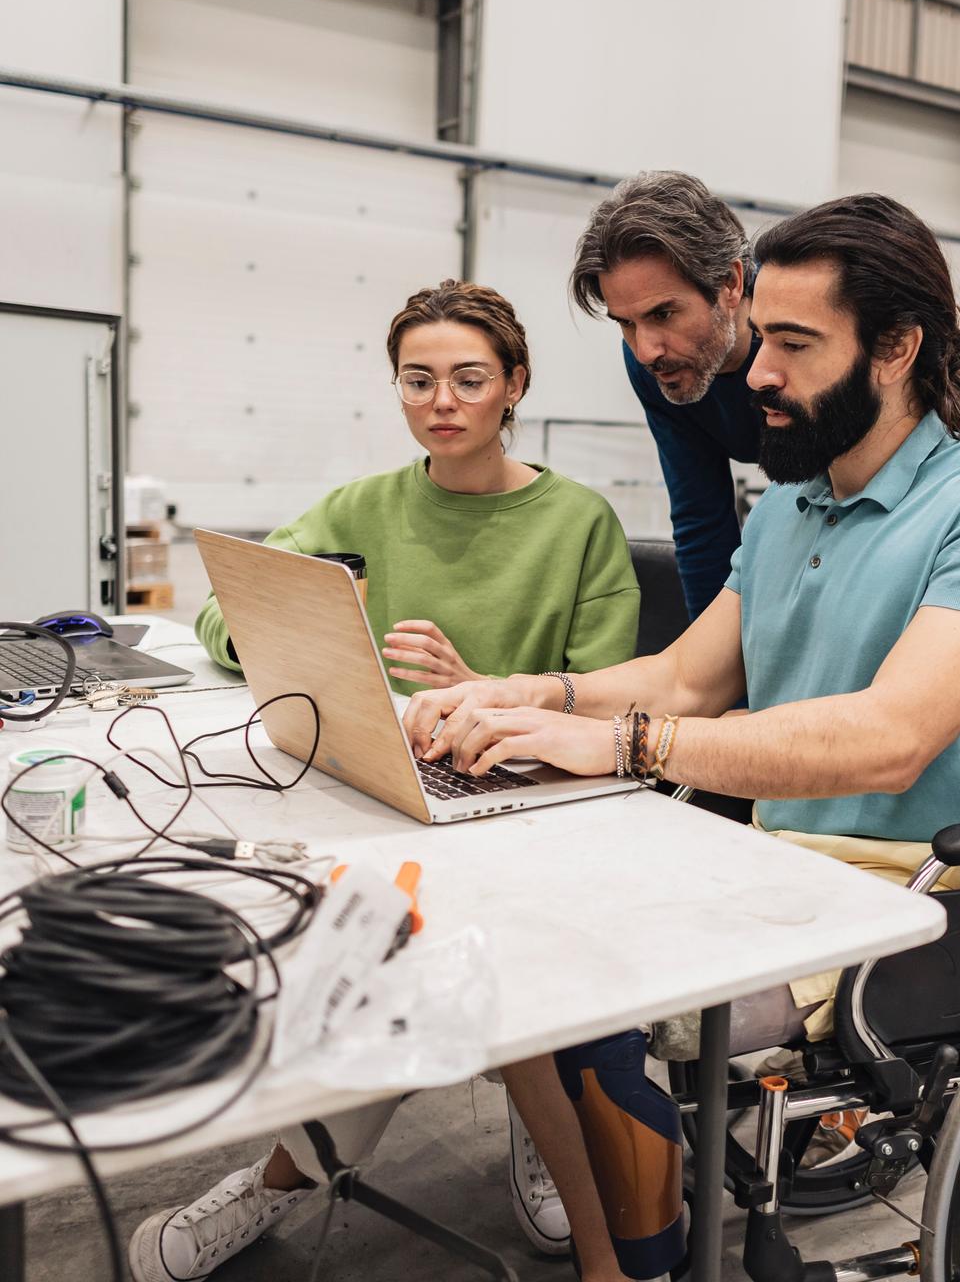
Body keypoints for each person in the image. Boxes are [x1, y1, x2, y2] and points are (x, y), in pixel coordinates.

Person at [404, 193, 960, 1210]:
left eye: (794, 344)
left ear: (895, 347)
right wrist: (533, 692)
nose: (756, 371)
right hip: (771, 865)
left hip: (916, 895)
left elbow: (891, 740)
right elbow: (683, 678)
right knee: (498, 930)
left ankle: (633, 1246)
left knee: (594, 999)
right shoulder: (794, 503)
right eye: (763, 337)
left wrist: (625, 743)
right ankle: (624, 1226)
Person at [131, 281, 641, 1282]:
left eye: (467, 379)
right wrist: (309, 624)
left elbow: (606, 691)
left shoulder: (577, 521)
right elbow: (220, 616)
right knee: (352, 938)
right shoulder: (360, 505)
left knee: (402, 945)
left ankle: (287, 1176)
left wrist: (490, 691)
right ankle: (516, 1136)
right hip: (381, 784)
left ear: (514, 387)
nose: (440, 402)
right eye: (417, 380)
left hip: (528, 801)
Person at [571, 170, 762, 622]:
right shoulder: (656, 364)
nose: (646, 350)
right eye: (626, 322)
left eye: (664, 313)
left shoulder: (804, 343)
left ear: (730, 284)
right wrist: (710, 676)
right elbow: (701, 517)